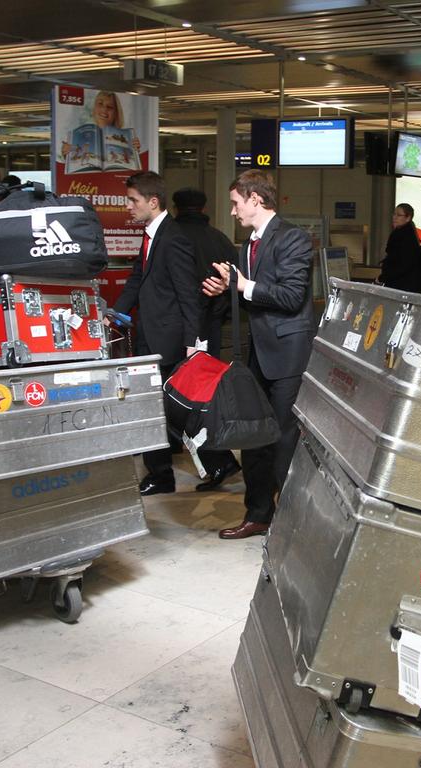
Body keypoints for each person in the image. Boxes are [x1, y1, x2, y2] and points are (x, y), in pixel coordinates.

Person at [201, 170, 314, 540]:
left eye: (235, 203)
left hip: (287, 356)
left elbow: (291, 296)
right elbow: (255, 298)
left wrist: (244, 284)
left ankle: (295, 523)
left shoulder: (293, 238)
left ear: (254, 199)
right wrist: (227, 289)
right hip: (259, 354)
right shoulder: (248, 246)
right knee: (253, 438)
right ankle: (259, 514)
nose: (232, 211)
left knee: (283, 441)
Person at [110, 172, 201, 496]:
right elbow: (137, 280)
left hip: (168, 340)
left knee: (161, 407)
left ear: (153, 201)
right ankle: (206, 464)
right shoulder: (150, 235)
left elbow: (188, 295)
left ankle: (163, 475)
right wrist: (116, 315)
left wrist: (194, 345)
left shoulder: (172, 238)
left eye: (133, 200)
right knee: (157, 406)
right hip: (149, 335)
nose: (128, 206)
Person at [171, 186, 241, 492]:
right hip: (210, 329)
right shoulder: (220, 239)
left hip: (180, 329)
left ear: (174, 206)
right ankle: (217, 457)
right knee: (203, 395)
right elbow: (234, 283)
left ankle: (217, 459)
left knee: (179, 394)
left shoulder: (172, 237)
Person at [378, 203, 421, 293]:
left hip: (400, 284)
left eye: (399, 215)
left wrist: (384, 276)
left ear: (408, 218)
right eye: (394, 214)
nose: (394, 217)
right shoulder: (409, 233)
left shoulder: (403, 235)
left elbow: (402, 263)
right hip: (405, 283)